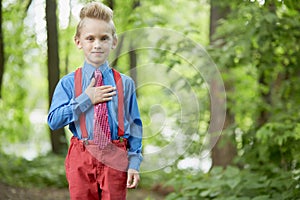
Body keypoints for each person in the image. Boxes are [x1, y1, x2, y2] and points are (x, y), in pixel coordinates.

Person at [47, 2, 143, 199]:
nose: (97, 44)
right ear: (78, 41)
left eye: (104, 38)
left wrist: (134, 163)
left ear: (114, 41)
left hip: (115, 153)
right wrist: (86, 99)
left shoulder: (125, 83)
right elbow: (53, 120)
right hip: (81, 155)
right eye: (90, 38)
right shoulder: (68, 83)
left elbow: (135, 124)